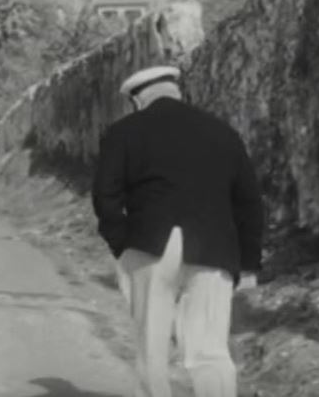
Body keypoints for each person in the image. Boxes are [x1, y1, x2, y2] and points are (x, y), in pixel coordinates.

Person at [92, 66, 264, 397]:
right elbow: (249, 202)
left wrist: (122, 245)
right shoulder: (223, 132)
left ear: (138, 99)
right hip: (215, 248)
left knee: (152, 350)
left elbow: (105, 196)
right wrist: (248, 261)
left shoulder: (124, 131)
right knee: (210, 352)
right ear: (177, 91)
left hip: (151, 245)